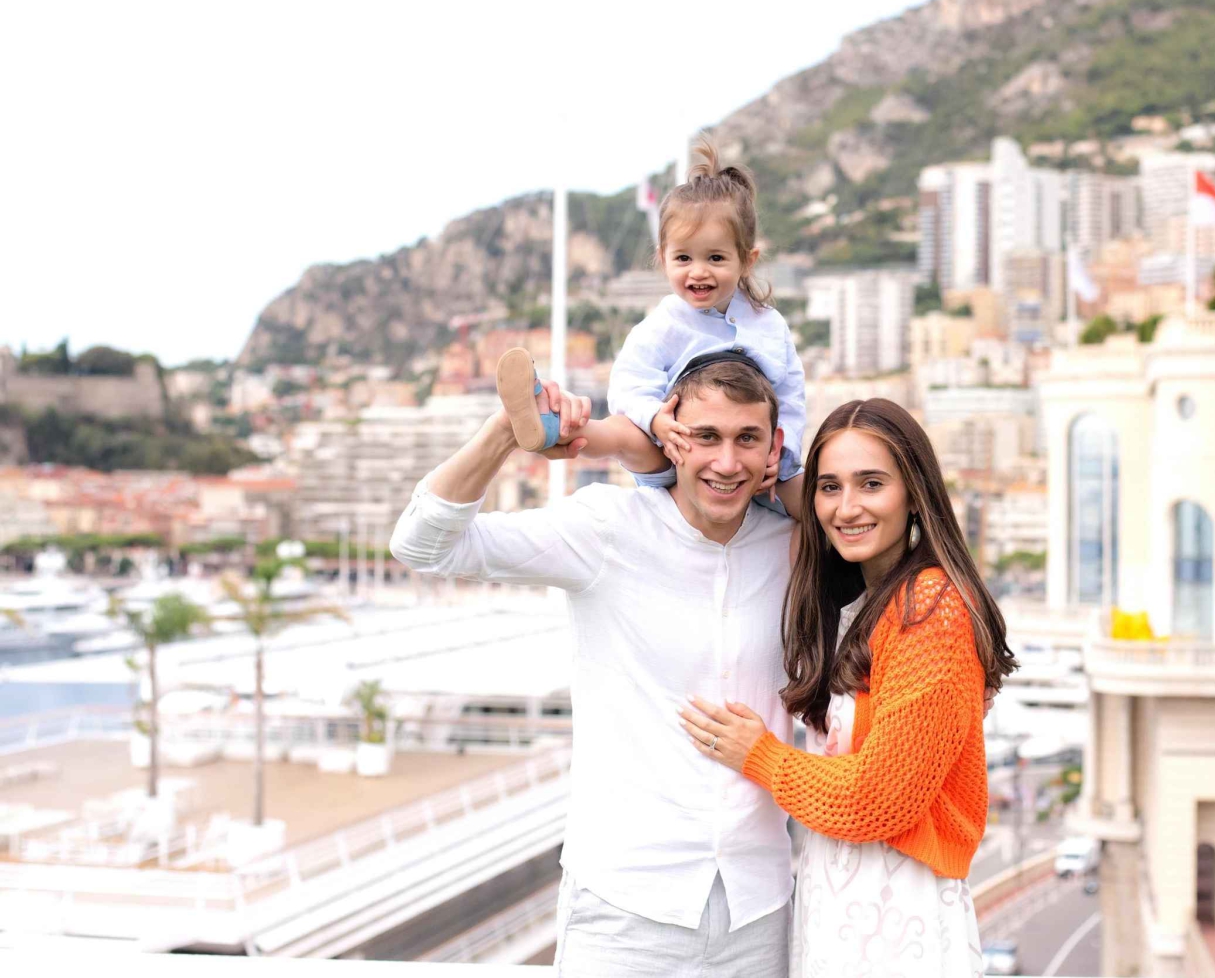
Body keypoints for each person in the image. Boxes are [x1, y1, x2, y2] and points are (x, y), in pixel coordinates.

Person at [388, 356, 796, 977]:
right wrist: (506, 430)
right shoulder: (606, 527)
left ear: (774, 445)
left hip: (760, 911)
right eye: (706, 436)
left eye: (747, 439)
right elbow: (422, 545)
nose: (726, 461)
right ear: (670, 436)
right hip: (623, 909)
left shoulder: (796, 545)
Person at [680, 398, 1016, 977]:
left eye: (872, 484)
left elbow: (878, 799)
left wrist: (759, 756)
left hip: (897, 928)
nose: (847, 507)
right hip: (840, 913)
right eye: (830, 487)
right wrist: (761, 470)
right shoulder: (865, 604)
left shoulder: (930, 608)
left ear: (915, 493)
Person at [494, 135, 807, 517]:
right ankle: (551, 426)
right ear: (663, 259)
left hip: (750, 459)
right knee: (623, 434)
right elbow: (628, 385)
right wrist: (655, 419)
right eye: (684, 258)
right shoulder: (661, 326)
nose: (698, 271)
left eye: (715, 258)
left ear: (747, 260)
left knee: (806, 495)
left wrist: (782, 451)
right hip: (674, 450)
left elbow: (791, 395)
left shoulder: (769, 325)